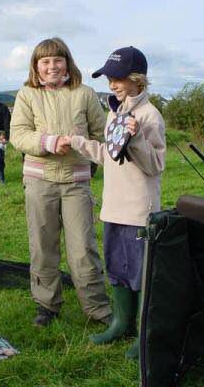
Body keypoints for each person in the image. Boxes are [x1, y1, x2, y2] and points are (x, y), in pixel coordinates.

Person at [63, 46, 166, 358]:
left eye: (118, 77)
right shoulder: (114, 111)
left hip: (138, 212)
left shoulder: (149, 116)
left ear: (137, 80)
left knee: (140, 274)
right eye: (109, 77)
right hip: (113, 209)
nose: (112, 83)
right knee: (118, 270)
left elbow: (155, 165)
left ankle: (143, 333)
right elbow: (111, 157)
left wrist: (136, 139)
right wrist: (80, 143)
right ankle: (121, 322)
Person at [10, 37, 111, 327]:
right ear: (36, 67)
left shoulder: (85, 94)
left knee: (83, 249)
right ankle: (46, 306)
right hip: (39, 182)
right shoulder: (27, 94)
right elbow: (18, 134)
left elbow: (100, 134)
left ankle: (97, 309)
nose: (52, 66)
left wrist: (84, 147)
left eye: (58, 60)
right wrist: (49, 142)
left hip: (77, 182)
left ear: (67, 62)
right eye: (45, 61)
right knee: (43, 246)